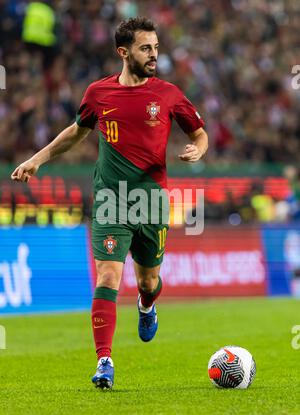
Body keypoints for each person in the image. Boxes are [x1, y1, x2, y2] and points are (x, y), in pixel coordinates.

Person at [11, 17, 208, 390]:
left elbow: (200, 134)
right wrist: (37, 159)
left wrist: (196, 150)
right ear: (124, 52)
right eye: (145, 48)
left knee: (148, 281)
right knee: (107, 277)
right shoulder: (99, 93)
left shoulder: (168, 94)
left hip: (150, 202)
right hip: (110, 200)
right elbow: (76, 132)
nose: (153, 55)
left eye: (156, 47)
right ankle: (105, 361)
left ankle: (147, 306)